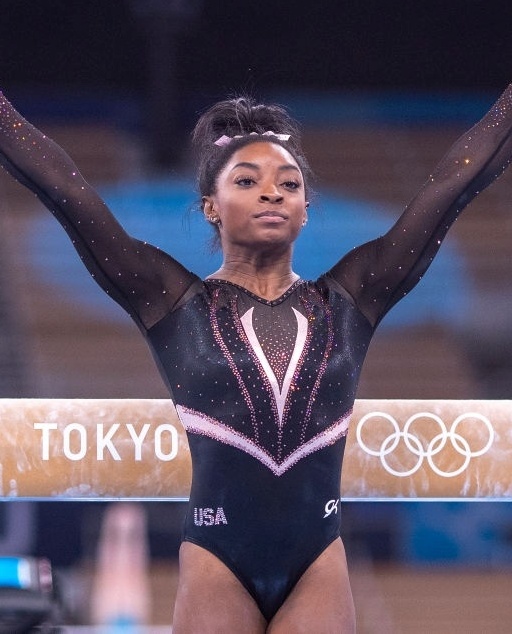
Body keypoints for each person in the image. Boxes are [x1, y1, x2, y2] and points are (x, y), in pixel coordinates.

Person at [1, 84, 512, 633]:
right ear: (210, 208)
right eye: (247, 181)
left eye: (289, 184)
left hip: (317, 562)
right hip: (218, 561)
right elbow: (63, 188)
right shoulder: (170, 303)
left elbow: (453, 184)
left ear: (306, 209)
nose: (272, 193)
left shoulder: (352, 298)